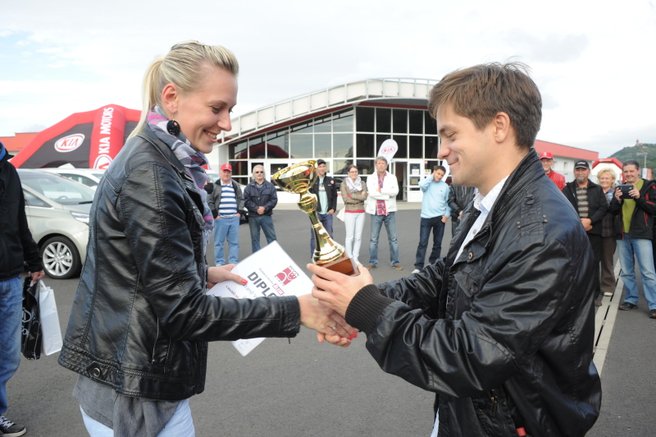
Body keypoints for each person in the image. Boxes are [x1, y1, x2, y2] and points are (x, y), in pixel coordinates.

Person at [57, 41, 354, 437]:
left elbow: (133, 266)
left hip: (135, 378)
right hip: (132, 392)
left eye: (229, 109)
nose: (227, 123)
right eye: (217, 108)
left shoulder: (159, 159)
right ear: (172, 97)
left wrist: (200, 271)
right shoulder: (154, 175)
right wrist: (296, 310)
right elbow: (183, 313)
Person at [309, 62, 601, 436]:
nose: (441, 150)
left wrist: (366, 307)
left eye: (450, 134)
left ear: (499, 126)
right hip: (473, 413)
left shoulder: (538, 232)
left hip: (509, 421)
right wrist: (359, 300)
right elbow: (444, 279)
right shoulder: (491, 203)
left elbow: (472, 356)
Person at [0, 141, 45, 437]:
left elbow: (20, 221)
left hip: (11, 277)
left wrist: (34, 259)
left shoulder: (9, 170)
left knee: (8, 355)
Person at [609, 160, 656, 319]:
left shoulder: (649, 186)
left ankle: (654, 305)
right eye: (626, 171)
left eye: (631, 171)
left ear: (638, 171)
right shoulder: (619, 187)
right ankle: (631, 299)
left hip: (641, 234)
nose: (629, 174)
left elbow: (653, 208)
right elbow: (613, 211)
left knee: (648, 271)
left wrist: (639, 197)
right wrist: (617, 200)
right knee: (627, 271)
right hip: (623, 235)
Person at [561, 160, 607, 306]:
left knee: (593, 263)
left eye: (583, 169)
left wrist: (590, 221)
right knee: (575, 264)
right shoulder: (567, 189)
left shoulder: (597, 189)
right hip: (575, 232)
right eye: (578, 170)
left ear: (588, 171)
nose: (580, 172)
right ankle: (577, 294)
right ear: (574, 172)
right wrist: (579, 223)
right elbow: (563, 209)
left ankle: (595, 295)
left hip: (593, 231)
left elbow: (603, 208)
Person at [366, 156, 402, 271]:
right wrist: (387, 195)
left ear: (386, 165)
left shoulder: (392, 177)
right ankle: (372, 262)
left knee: (393, 239)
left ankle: (395, 262)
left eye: (383, 163)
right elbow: (372, 193)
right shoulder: (370, 178)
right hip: (376, 211)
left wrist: (381, 191)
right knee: (373, 239)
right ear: (376, 165)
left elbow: (395, 191)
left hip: (389, 211)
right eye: (379, 163)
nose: (381, 165)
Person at [413, 165, 450, 273]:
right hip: (426, 217)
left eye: (442, 175)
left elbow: (448, 202)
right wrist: (431, 177)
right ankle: (418, 266)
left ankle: (433, 264)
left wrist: (446, 215)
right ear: (434, 172)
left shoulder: (445, 187)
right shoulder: (427, 184)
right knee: (423, 243)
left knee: (437, 243)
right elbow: (421, 185)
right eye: (438, 174)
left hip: (440, 218)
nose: (439, 176)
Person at [208, 162, 242, 266]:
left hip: (234, 218)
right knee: (219, 243)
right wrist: (215, 215)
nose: (226, 174)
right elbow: (209, 200)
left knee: (234, 243)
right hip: (221, 219)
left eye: (228, 172)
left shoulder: (235, 185)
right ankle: (219, 263)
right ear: (220, 172)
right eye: (224, 171)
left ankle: (233, 262)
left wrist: (239, 212)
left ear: (231, 173)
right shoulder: (215, 186)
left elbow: (241, 198)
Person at [243, 164, 278, 252]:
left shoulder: (270, 186)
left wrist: (264, 208)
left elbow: (274, 200)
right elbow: (246, 201)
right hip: (253, 217)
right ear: (253, 174)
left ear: (264, 173)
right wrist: (256, 208)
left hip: (266, 216)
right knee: (255, 239)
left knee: (272, 238)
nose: (259, 174)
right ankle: (256, 258)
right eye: (257, 172)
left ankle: (274, 257)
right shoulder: (248, 187)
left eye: (261, 172)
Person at [308, 159, 338, 258]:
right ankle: (314, 256)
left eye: (324, 166)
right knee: (315, 236)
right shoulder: (312, 181)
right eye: (320, 166)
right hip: (316, 213)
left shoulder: (330, 180)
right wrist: (313, 211)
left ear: (326, 168)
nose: (322, 168)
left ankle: (330, 255)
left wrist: (333, 208)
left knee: (329, 235)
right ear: (316, 168)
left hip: (328, 213)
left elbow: (334, 196)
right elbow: (309, 197)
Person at [597, 168, 620, 297]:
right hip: (594, 230)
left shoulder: (615, 193)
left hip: (609, 230)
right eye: (602, 178)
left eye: (607, 178)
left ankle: (608, 286)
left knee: (607, 260)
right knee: (592, 260)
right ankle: (593, 285)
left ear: (612, 180)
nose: (604, 180)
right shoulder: (595, 191)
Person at [340, 164, 368, 265]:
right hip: (349, 212)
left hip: (361, 212)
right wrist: (358, 196)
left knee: (358, 236)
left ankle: (356, 257)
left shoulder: (362, 183)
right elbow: (346, 199)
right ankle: (350, 257)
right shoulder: (344, 184)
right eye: (352, 172)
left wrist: (351, 195)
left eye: (355, 172)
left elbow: (365, 197)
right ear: (348, 173)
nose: (354, 173)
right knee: (349, 236)